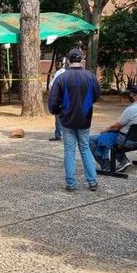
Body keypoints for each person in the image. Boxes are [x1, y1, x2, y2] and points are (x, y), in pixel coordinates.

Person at [48, 49, 100, 192]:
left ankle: (71, 183)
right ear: (82, 60)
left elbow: (53, 100)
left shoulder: (62, 78)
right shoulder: (90, 76)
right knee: (85, 148)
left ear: (69, 60)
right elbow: (97, 95)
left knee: (69, 151)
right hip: (85, 118)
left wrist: (56, 111)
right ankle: (92, 181)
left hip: (66, 118)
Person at [89, 85, 137, 172]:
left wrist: (104, 131)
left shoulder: (131, 109)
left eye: (130, 94)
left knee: (91, 139)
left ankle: (106, 165)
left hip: (125, 139)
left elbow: (116, 127)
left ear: (135, 96)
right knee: (107, 136)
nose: (129, 96)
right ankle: (123, 160)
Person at [48, 58, 68, 142]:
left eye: (58, 63)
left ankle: (59, 135)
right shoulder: (68, 73)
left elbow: (52, 85)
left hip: (60, 98)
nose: (56, 65)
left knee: (59, 118)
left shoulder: (59, 73)